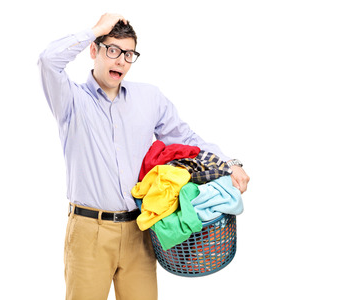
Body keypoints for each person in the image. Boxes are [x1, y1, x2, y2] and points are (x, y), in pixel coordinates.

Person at [38, 13, 250, 300]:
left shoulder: (149, 98)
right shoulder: (71, 100)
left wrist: (230, 164)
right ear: (93, 50)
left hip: (140, 229)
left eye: (128, 53)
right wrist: (96, 29)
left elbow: (186, 140)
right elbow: (49, 60)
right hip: (90, 232)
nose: (121, 61)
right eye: (112, 50)